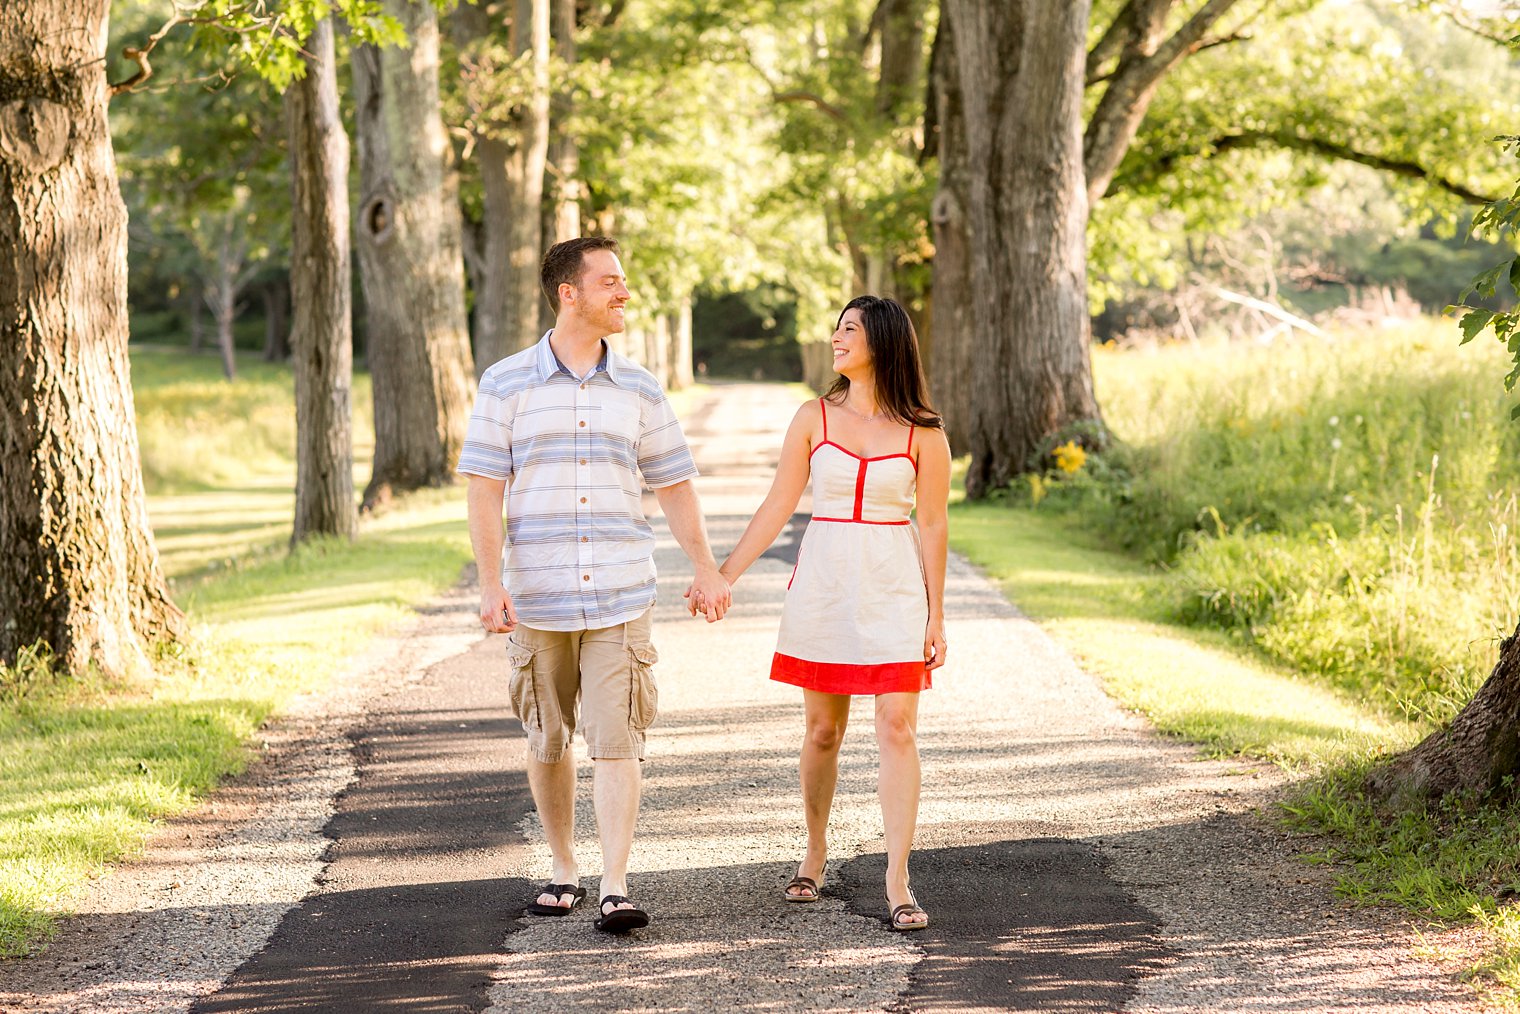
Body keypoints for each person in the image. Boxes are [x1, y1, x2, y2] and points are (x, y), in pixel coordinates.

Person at [459, 236, 731, 934]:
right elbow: (485, 489)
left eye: (624, 281)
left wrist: (705, 566)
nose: (624, 293)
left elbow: (673, 485)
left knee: (618, 740)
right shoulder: (505, 382)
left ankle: (615, 883)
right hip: (540, 595)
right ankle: (562, 868)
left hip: (620, 596)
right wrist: (491, 585)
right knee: (548, 740)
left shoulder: (639, 387)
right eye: (609, 282)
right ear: (567, 292)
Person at [706, 295, 949, 932]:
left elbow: (933, 522)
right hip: (825, 584)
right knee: (823, 732)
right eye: (836, 328)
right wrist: (723, 573)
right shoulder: (812, 417)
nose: (837, 338)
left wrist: (936, 615)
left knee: (897, 727)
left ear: (885, 342)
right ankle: (814, 850)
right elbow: (779, 504)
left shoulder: (924, 429)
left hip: (895, 589)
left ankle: (897, 877)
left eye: (850, 330)